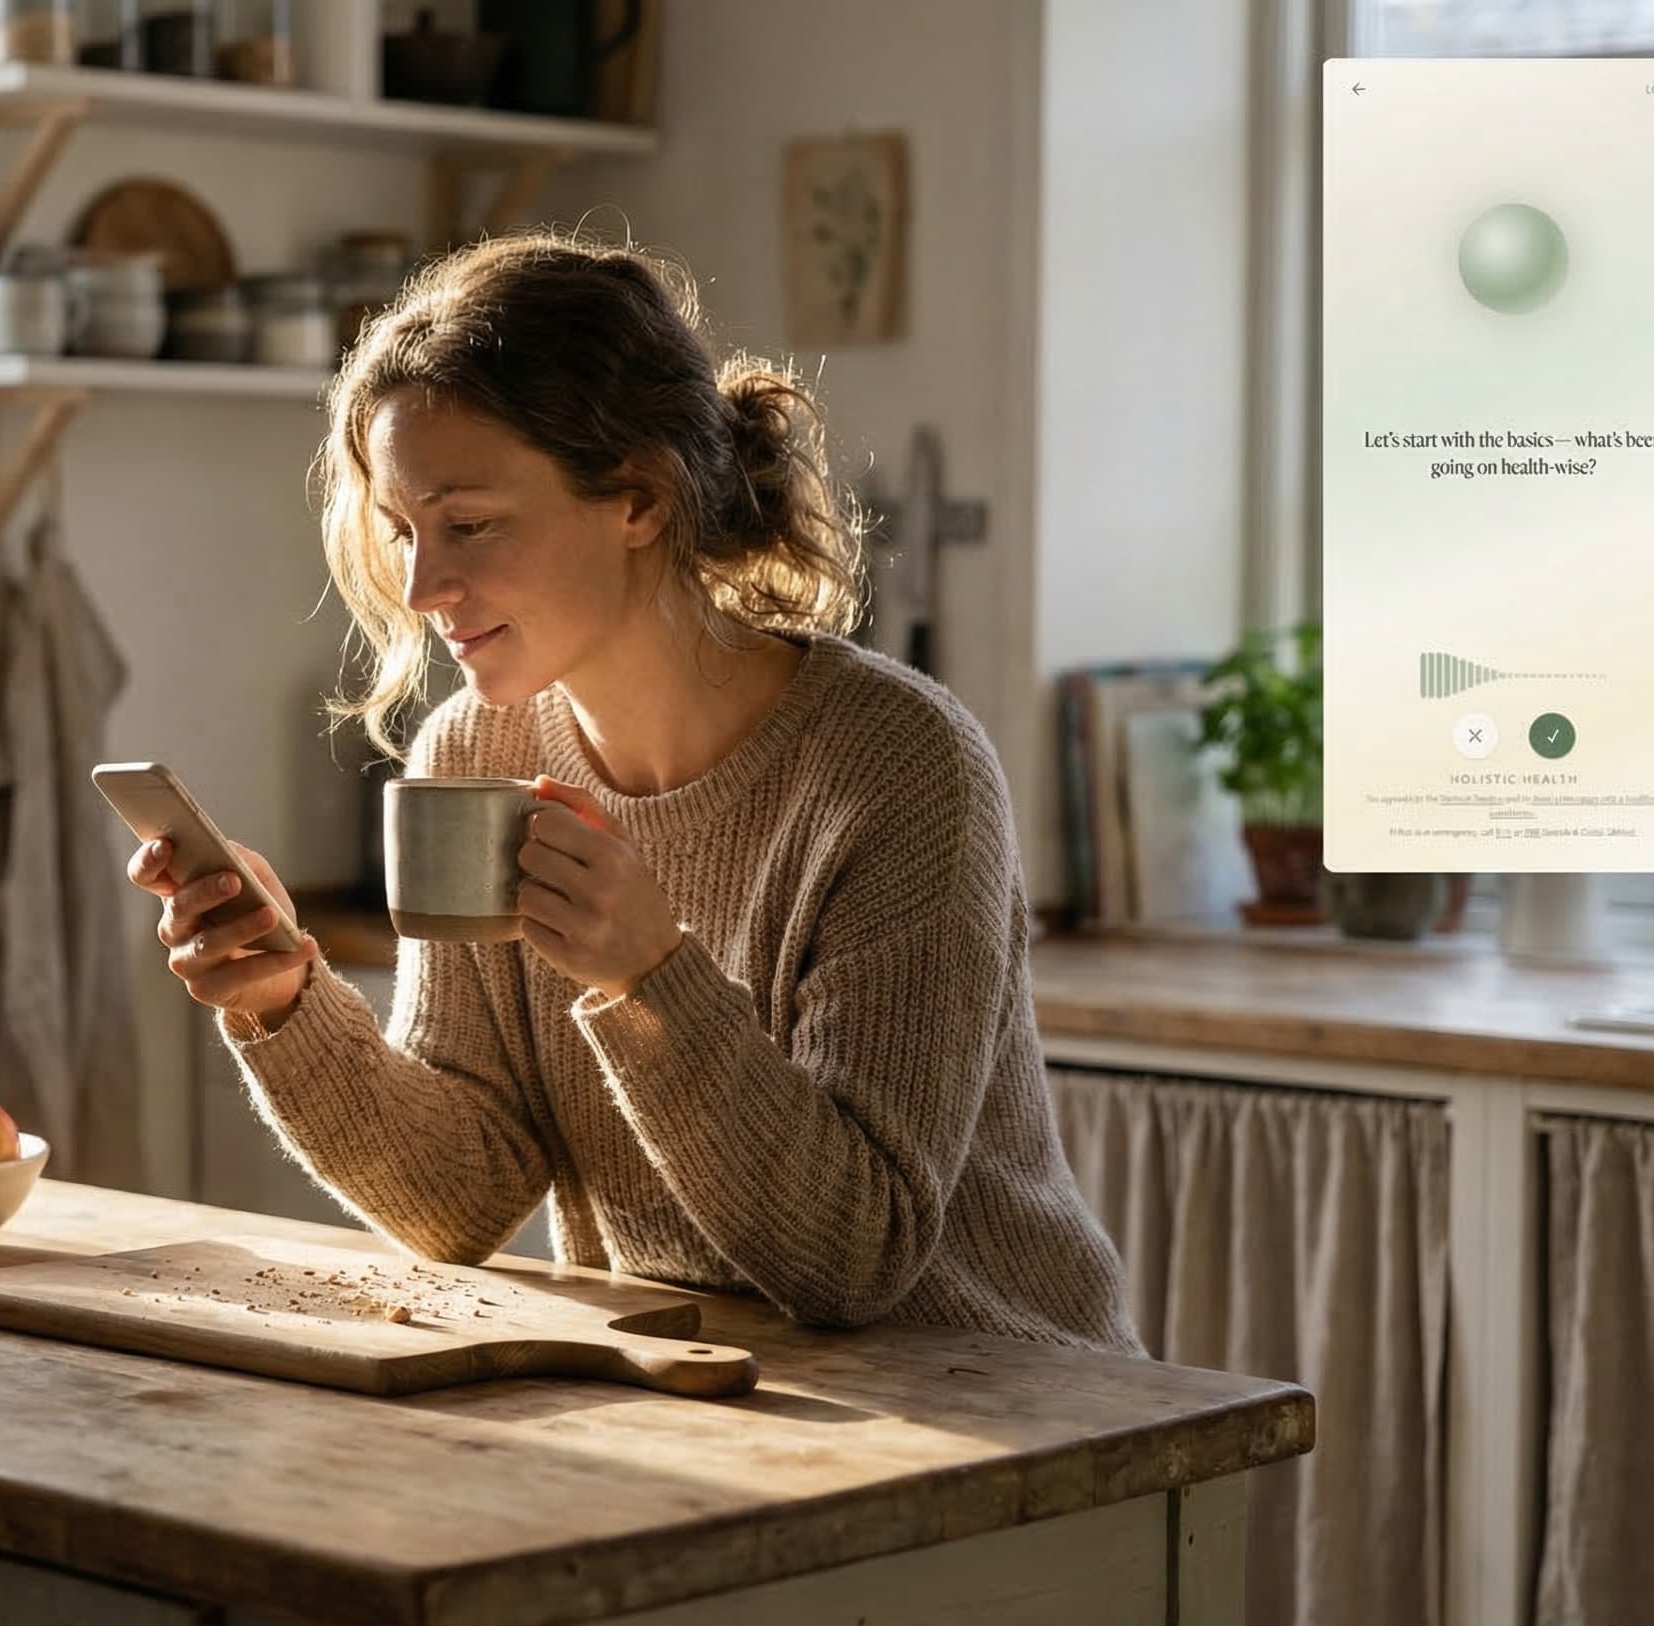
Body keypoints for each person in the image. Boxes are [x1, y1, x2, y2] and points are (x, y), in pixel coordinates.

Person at [126, 232, 1140, 1352]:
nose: (420, 586)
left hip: (1017, 1408)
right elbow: (460, 1198)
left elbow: (857, 1255)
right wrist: (283, 1003)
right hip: (715, 1401)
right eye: (404, 532)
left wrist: (652, 975)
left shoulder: (899, 766)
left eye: (467, 525)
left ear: (638, 499)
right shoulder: (474, 751)